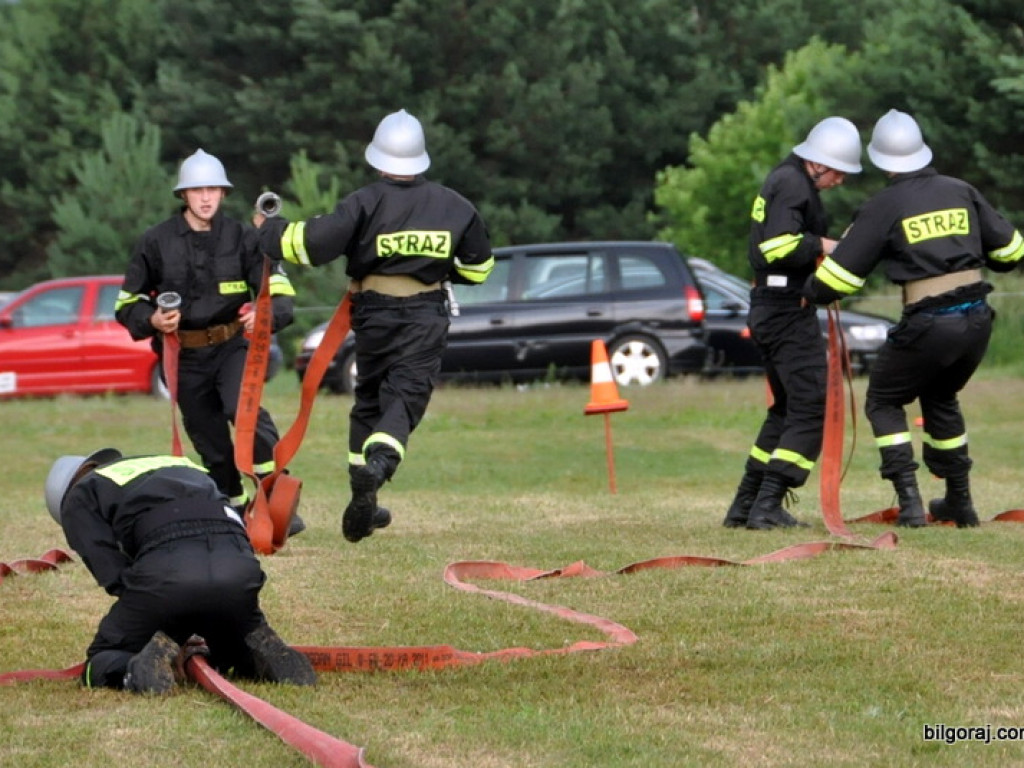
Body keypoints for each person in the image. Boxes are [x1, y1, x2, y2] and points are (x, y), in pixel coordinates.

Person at [254, 108, 493, 543]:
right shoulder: (456, 206)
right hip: (424, 315)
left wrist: (269, 231)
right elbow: (479, 269)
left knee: (368, 400)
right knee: (406, 394)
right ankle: (379, 467)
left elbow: (309, 245)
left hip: (373, 315)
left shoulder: (362, 203)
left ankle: (363, 500)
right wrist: (435, 267)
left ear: (378, 159)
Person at [803, 109, 1024, 527]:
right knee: (941, 395)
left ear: (881, 159)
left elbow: (839, 278)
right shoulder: (961, 190)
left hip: (929, 322)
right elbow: (1011, 252)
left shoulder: (884, 205)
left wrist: (810, 292)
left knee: (884, 400)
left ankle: (909, 504)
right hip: (977, 320)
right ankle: (960, 501)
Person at [115, 149, 300, 529]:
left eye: (212, 189)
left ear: (223, 193)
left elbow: (279, 291)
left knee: (244, 413)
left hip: (232, 346)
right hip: (183, 355)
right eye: (197, 190)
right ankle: (233, 508)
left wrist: (266, 315)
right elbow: (126, 303)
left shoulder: (243, 237)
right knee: (210, 441)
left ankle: (273, 497)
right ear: (183, 194)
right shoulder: (155, 241)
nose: (205, 198)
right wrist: (153, 319)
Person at [44, 448, 317, 693]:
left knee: (101, 658)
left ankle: (137, 672)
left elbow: (114, 575)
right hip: (237, 567)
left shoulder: (80, 494)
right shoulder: (170, 464)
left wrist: (159, 617)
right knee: (230, 644)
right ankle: (259, 656)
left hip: (169, 572)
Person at [722, 116, 863, 530]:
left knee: (786, 409)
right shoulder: (792, 184)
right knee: (811, 405)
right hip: (785, 309)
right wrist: (826, 245)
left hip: (773, 305)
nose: (840, 180)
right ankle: (767, 505)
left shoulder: (788, 180)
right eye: (837, 171)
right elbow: (776, 246)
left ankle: (745, 505)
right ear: (817, 162)